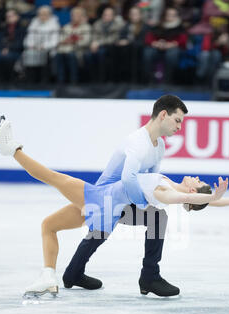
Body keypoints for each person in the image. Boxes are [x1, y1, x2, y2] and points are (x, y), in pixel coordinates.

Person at [0, 115, 229, 298]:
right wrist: (228, 200)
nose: (195, 178)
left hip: (98, 197)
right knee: (49, 225)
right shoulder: (169, 183)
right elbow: (193, 201)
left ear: (192, 191)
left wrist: (211, 198)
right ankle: (50, 277)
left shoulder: (167, 192)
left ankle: (10, 148)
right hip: (107, 203)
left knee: (51, 176)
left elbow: (187, 201)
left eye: (198, 182)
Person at [63, 94, 188, 298]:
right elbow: (128, 178)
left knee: (155, 218)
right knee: (100, 234)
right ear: (163, 115)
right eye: (177, 120)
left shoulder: (160, 146)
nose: (179, 127)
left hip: (123, 199)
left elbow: (152, 179)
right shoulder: (138, 142)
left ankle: (148, 276)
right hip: (105, 198)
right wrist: (143, 203)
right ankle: (74, 273)